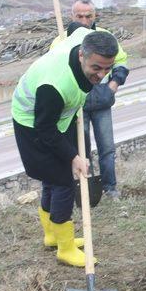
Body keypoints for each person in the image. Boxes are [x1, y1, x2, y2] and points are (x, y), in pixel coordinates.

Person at [12, 28, 118, 268]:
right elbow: (45, 129)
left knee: (53, 179)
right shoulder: (56, 84)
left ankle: (52, 235)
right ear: (81, 55)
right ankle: (65, 248)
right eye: (96, 68)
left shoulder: (84, 40)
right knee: (61, 181)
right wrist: (73, 156)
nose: (101, 75)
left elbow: (78, 28)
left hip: (59, 117)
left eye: (106, 68)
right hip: (32, 124)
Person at [51, 0, 130, 200]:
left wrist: (112, 87)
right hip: (77, 103)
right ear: (72, 17)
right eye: (80, 16)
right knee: (81, 149)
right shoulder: (62, 41)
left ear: (95, 16)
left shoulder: (105, 36)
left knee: (107, 147)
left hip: (101, 98)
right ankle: (86, 192)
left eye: (89, 16)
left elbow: (121, 61)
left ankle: (110, 188)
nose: (85, 20)